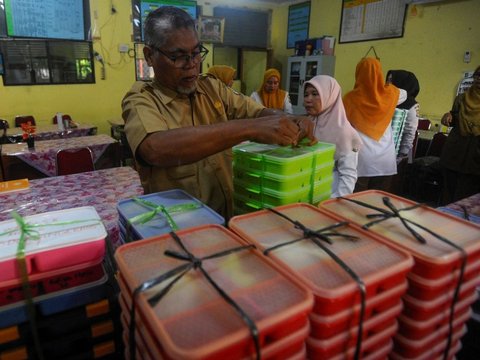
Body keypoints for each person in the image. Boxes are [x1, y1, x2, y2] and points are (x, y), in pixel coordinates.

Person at [121, 7, 315, 219]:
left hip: (228, 216)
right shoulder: (142, 99)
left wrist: (292, 120)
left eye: (196, 53)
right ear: (149, 56)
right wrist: (248, 129)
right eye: (178, 57)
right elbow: (155, 148)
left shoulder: (212, 87)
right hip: (179, 226)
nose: (192, 65)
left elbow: (258, 113)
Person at [343, 57, 406, 193]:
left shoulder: (349, 99)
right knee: (378, 203)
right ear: (380, 73)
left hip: (361, 160)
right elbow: (405, 94)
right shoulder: (391, 94)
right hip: (385, 160)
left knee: (357, 204)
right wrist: (387, 86)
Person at [303, 75, 363, 197]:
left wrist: (333, 203)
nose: (308, 100)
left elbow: (348, 176)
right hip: (304, 192)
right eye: (306, 94)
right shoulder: (307, 124)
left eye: (315, 94)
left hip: (329, 195)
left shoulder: (343, 132)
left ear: (330, 96)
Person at [439, 65, 480, 204]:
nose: (479, 79)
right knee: (448, 195)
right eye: (477, 75)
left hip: (476, 158)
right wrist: (448, 116)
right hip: (454, 153)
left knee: (467, 200)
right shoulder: (461, 99)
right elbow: (454, 118)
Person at [386, 69, 421, 162]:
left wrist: (402, 154)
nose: (387, 83)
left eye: (391, 81)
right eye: (387, 80)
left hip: (397, 151)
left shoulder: (411, 105)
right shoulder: (385, 99)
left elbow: (410, 131)